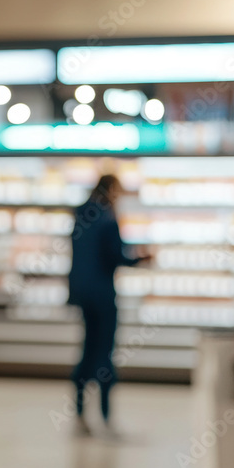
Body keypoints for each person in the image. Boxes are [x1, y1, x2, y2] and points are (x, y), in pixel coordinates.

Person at [68, 174, 148, 435]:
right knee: (105, 354)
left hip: (83, 294)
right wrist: (142, 258)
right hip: (103, 295)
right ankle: (104, 416)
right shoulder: (108, 219)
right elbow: (117, 256)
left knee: (87, 351)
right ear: (111, 190)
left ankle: (80, 413)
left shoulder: (81, 214)